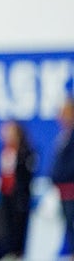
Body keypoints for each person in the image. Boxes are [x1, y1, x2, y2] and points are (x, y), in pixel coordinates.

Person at [0, 119, 36, 258]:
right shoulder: (4, 151)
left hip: (19, 196)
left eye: (9, 131)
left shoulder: (26, 151)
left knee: (19, 225)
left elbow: (27, 175)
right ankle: (11, 252)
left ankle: (20, 253)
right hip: (6, 194)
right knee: (8, 225)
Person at [51, 98, 74, 253]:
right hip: (63, 190)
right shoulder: (64, 136)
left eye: (64, 114)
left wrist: (62, 176)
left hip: (71, 188)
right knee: (68, 224)